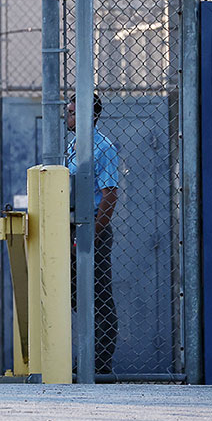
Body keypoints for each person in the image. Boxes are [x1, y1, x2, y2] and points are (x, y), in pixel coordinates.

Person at [66, 92, 120, 375]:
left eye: (74, 112)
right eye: (68, 111)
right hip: (72, 228)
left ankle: (99, 365)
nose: (68, 116)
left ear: (92, 116)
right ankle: (78, 361)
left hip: (92, 230)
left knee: (98, 296)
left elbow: (110, 195)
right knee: (73, 294)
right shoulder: (73, 145)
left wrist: (92, 234)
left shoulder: (103, 147)